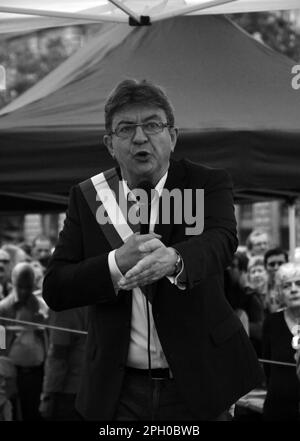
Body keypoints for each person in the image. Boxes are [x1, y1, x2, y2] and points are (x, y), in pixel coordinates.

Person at [43, 79, 262, 421]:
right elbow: (56, 287)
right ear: (109, 144)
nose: (140, 137)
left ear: (172, 137)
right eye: (126, 128)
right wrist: (116, 263)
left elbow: (222, 239)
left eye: (153, 124)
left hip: (199, 380)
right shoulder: (88, 198)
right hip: (118, 389)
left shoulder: (206, 183)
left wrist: (177, 259)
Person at [0, 263, 48, 420]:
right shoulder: (4, 308)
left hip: (35, 373)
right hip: (9, 375)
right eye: (20, 287)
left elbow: (49, 341)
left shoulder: (41, 307)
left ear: (33, 284)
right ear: (12, 283)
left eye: (28, 287)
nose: (24, 291)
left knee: (33, 413)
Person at [262, 262, 300, 421]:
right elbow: (267, 368)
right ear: (279, 293)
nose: (293, 289)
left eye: (298, 283)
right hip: (277, 408)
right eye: (286, 285)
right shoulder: (271, 322)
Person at [264, 247, 288, 313]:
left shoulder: (295, 287)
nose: (276, 267)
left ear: (287, 264)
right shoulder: (260, 288)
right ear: (265, 266)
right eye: (272, 264)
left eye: (280, 263)